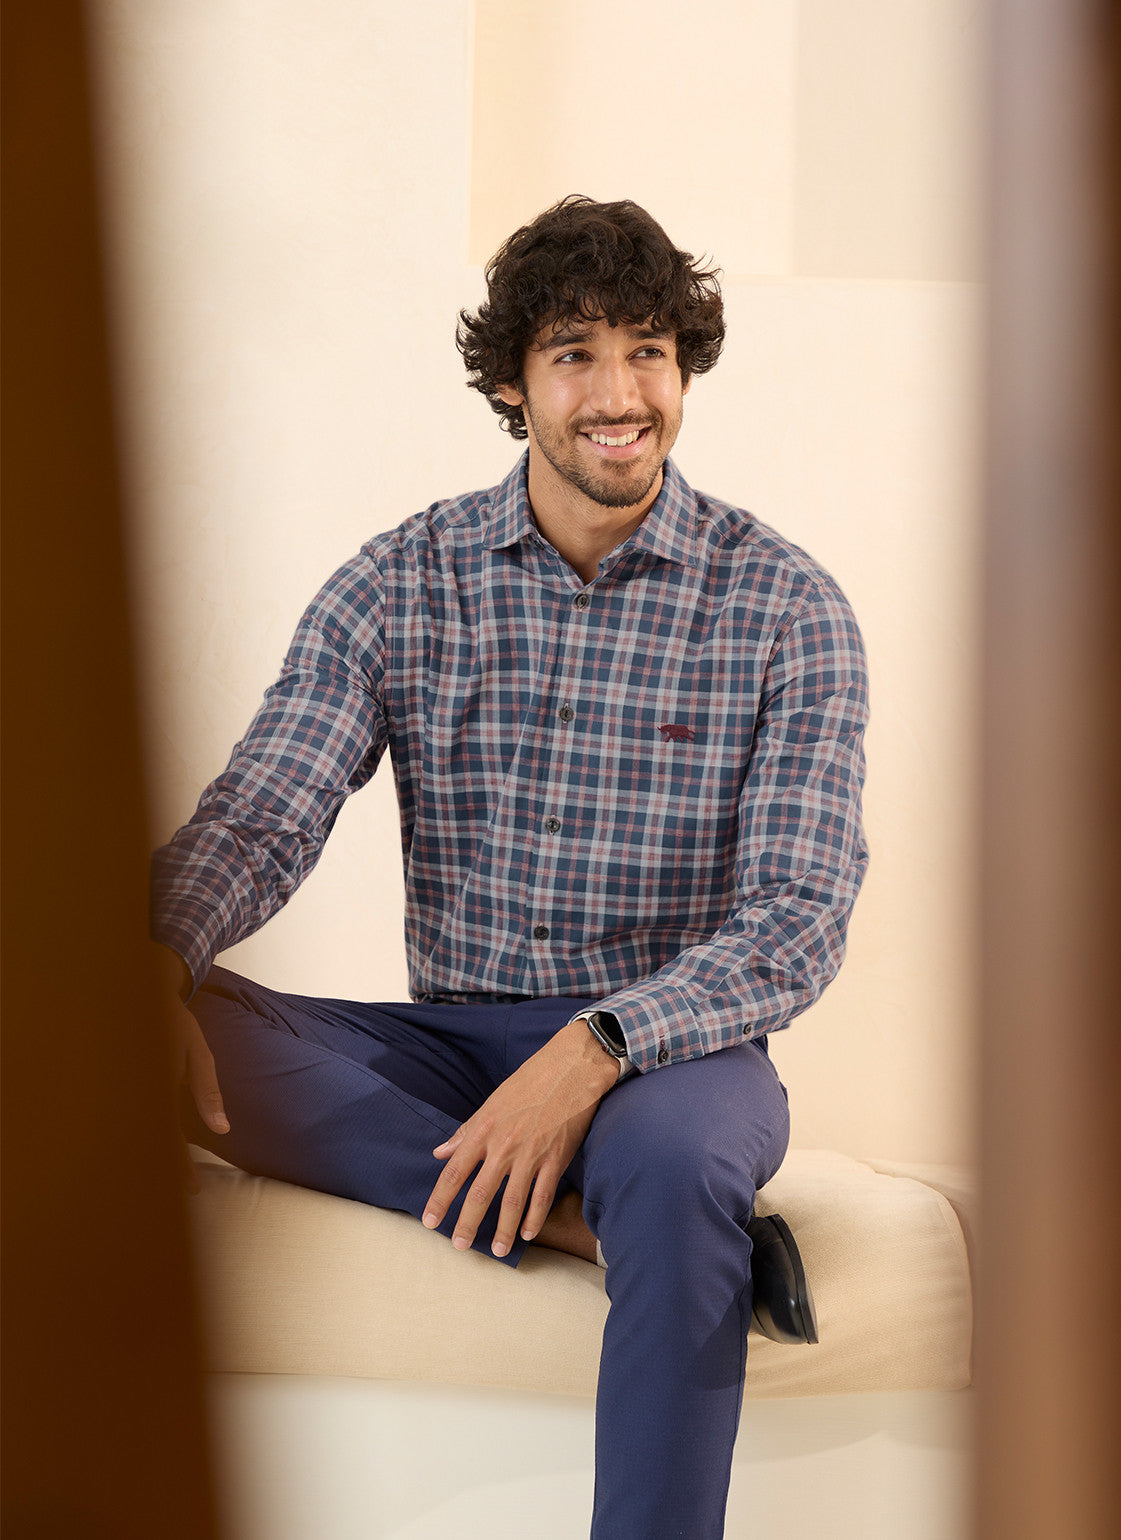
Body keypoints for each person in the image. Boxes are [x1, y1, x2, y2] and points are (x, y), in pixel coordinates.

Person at [152, 194, 869, 1540]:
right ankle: (582, 1222)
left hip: (674, 1059)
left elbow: (797, 918)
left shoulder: (786, 608)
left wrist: (596, 1049)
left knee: (674, 1165)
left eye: (650, 351)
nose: (621, 394)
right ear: (510, 384)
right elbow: (261, 816)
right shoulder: (399, 583)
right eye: (575, 353)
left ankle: (647, 1212)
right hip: (452, 1044)